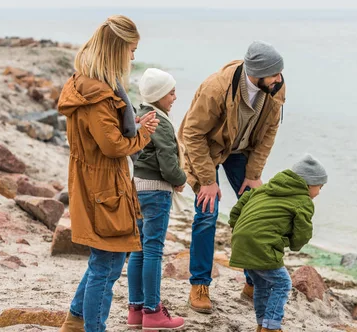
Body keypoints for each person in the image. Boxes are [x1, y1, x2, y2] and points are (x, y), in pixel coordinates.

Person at [57, 15, 159, 332]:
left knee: (104, 257)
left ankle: (75, 320)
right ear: (116, 49)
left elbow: (104, 134)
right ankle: (92, 327)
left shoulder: (85, 83)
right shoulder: (99, 93)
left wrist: (135, 126)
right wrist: (144, 135)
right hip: (102, 185)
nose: (133, 57)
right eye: (131, 49)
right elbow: (112, 145)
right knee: (109, 260)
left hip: (95, 180)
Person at [178, 41, 287, 313]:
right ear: (256, 73)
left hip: (243, 151)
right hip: (208, 149)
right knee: (207, 213)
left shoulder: (275, 86)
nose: (279, 79)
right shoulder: (216, 88)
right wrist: (207, 181)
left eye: (280, 73)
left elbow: (270, 132)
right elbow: (192, 134)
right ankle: (199, 284)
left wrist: (253, 174)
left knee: (255, 212)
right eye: (274, 74)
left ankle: (253, 281)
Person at [228, 154, 328, 332]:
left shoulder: (263, 189)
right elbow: (302, 232)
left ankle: (261, 325)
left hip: (240, 242)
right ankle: (272, 327)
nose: (319, 192)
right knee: (283, 284)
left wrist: (238, 229)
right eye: (320, 186)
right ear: (309, 184)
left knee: (262, 285)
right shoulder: (303, 201)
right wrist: (293, 244)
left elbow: (238, 207)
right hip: (262, 246)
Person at [126, 68, 187, 330]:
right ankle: (153, 312)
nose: (175, 96)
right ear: (159, 95)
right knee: (153, 250)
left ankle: (136, 310)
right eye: (171, 92)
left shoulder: (138, 116)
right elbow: (167, 159)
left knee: (137, 250)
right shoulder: (158, 120)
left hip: (137, 187)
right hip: (156, 191)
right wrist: (180, 179)